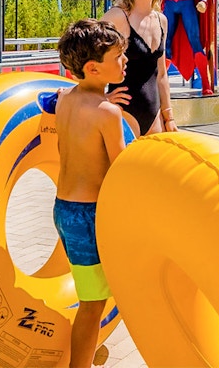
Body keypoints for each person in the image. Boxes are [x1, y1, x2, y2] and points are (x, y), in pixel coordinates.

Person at [52, 19, 136, 367]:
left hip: (64, 209)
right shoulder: (108, 114)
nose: (125, 61)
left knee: (92, 291)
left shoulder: (65, 101)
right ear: (93, 67)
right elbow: (121, 170)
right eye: (119, 56)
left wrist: (105, 98)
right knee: (92, 304)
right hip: (90, 216)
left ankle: (88, 350)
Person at [103, 0, 178, 135]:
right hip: (123, 115)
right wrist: (100, 98)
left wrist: (169, 117)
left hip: (154, 118)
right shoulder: (117, 18)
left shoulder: (162, 21)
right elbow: (83, 59)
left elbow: (161, 74)